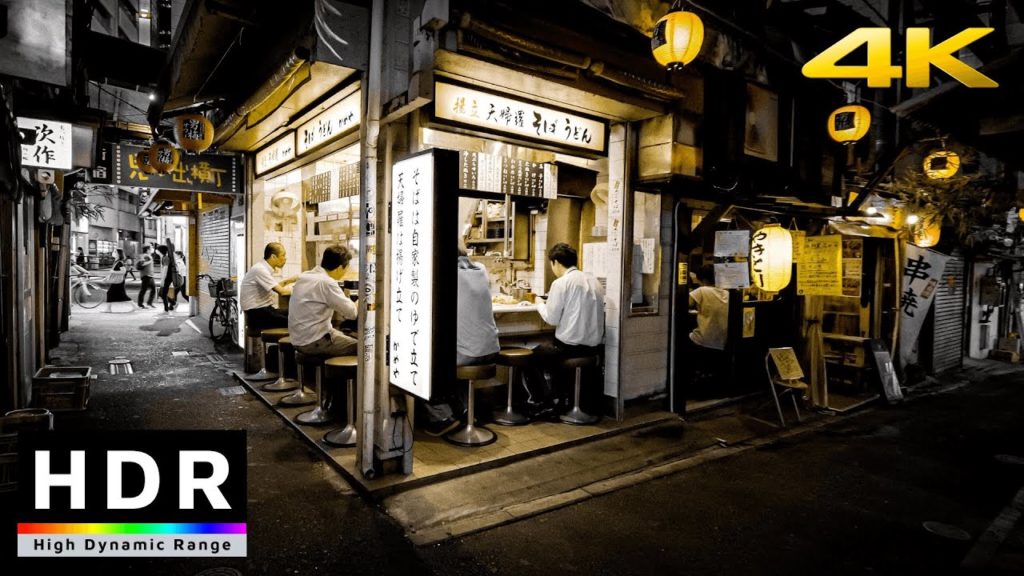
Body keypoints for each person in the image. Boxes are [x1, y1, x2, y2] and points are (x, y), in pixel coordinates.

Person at [421, 247, 501, 436]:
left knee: (422, 367)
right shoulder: (481, 270)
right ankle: (465, 410)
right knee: (454, 354)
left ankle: (442, 417)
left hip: (468, 356)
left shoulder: (446, 275)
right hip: (492, 349)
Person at [530, 243, 606, 413]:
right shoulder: (595, 282)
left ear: (555, 262)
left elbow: (552, 318)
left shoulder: (561, 283)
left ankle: (546, 401)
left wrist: (539, 303)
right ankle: (562, 398)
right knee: (549, 352)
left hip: (569, 349)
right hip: (593, 350)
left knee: (532, 357)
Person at [288, 244, 358, 357]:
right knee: (363, 348)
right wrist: (357, 303)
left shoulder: (305, 276)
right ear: (340, 267)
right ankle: (338, 375)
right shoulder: (327, 282)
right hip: (313, 341)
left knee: (344, 333)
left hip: (297, 338)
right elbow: (352, 314)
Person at [687, 264, 730, 394]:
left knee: (685, 339)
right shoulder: (727, 293)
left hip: (703, 339)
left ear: (702, 279)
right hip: (722, 341)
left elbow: (683, 303)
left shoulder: (702, 291)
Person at [240, 242, 298, 332]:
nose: (285, 259)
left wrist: (291, 280)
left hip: (264, 310)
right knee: (297, 322)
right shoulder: (261, 270)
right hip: (256, 315)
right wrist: (302, 290)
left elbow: (276, 286)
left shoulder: (263, 268)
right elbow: (282, 292)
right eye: (283, 255)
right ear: (273, 257)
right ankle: (287, 346)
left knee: (295, 312)